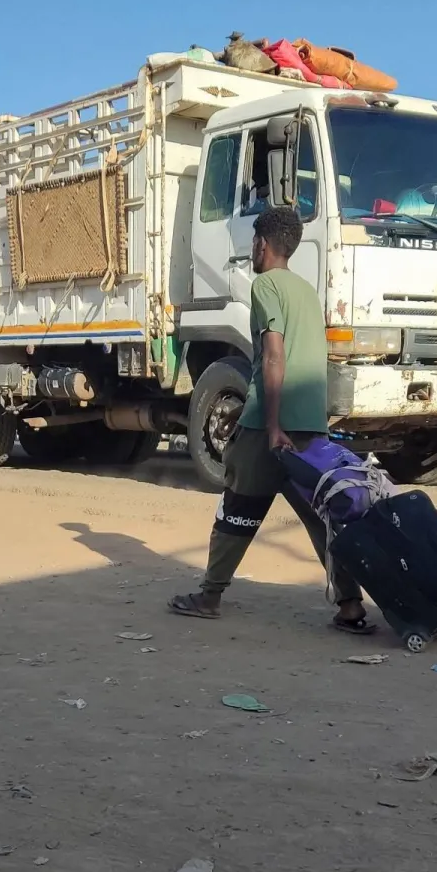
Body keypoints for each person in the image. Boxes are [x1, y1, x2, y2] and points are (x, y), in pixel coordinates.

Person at [169, 206, 373, 634]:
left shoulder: (264, 287)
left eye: (253, 245)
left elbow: (274, 355)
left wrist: (274, 424)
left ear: (263, 244)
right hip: (310, 425)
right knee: (322, 517)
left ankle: (209, 595)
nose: (252, 252)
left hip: (268, 424)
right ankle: (351, 605)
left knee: (238, 507)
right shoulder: (305, 291)